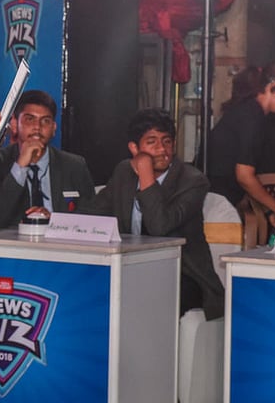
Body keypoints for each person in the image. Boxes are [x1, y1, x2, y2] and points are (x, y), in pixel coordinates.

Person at [77, 108, 224, 320]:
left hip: (183, 274)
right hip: (131, 267)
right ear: (134, 148)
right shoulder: (123, 172)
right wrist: (53, 218)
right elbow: (92, 212)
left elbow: (159, 227)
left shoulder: (193, 181)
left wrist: (146, 175)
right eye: (152, 142)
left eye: (167, 142)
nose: (162, 149)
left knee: (150, 296)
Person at [0, 90, 95, 228]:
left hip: (60, 240)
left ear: (54, 128)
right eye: (30, 119)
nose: (37, 127)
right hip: (14, 241)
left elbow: (92, 218)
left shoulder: (74, 166)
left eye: (45, 121)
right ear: (15, 125)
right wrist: (20, 166)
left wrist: (55, 220)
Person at [207, 63, 275, 222]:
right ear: (273, 88)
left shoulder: (246, 110)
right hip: (215, 202)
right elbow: (244, 176)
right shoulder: (253, 117)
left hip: (214, 198)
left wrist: (267, 210)